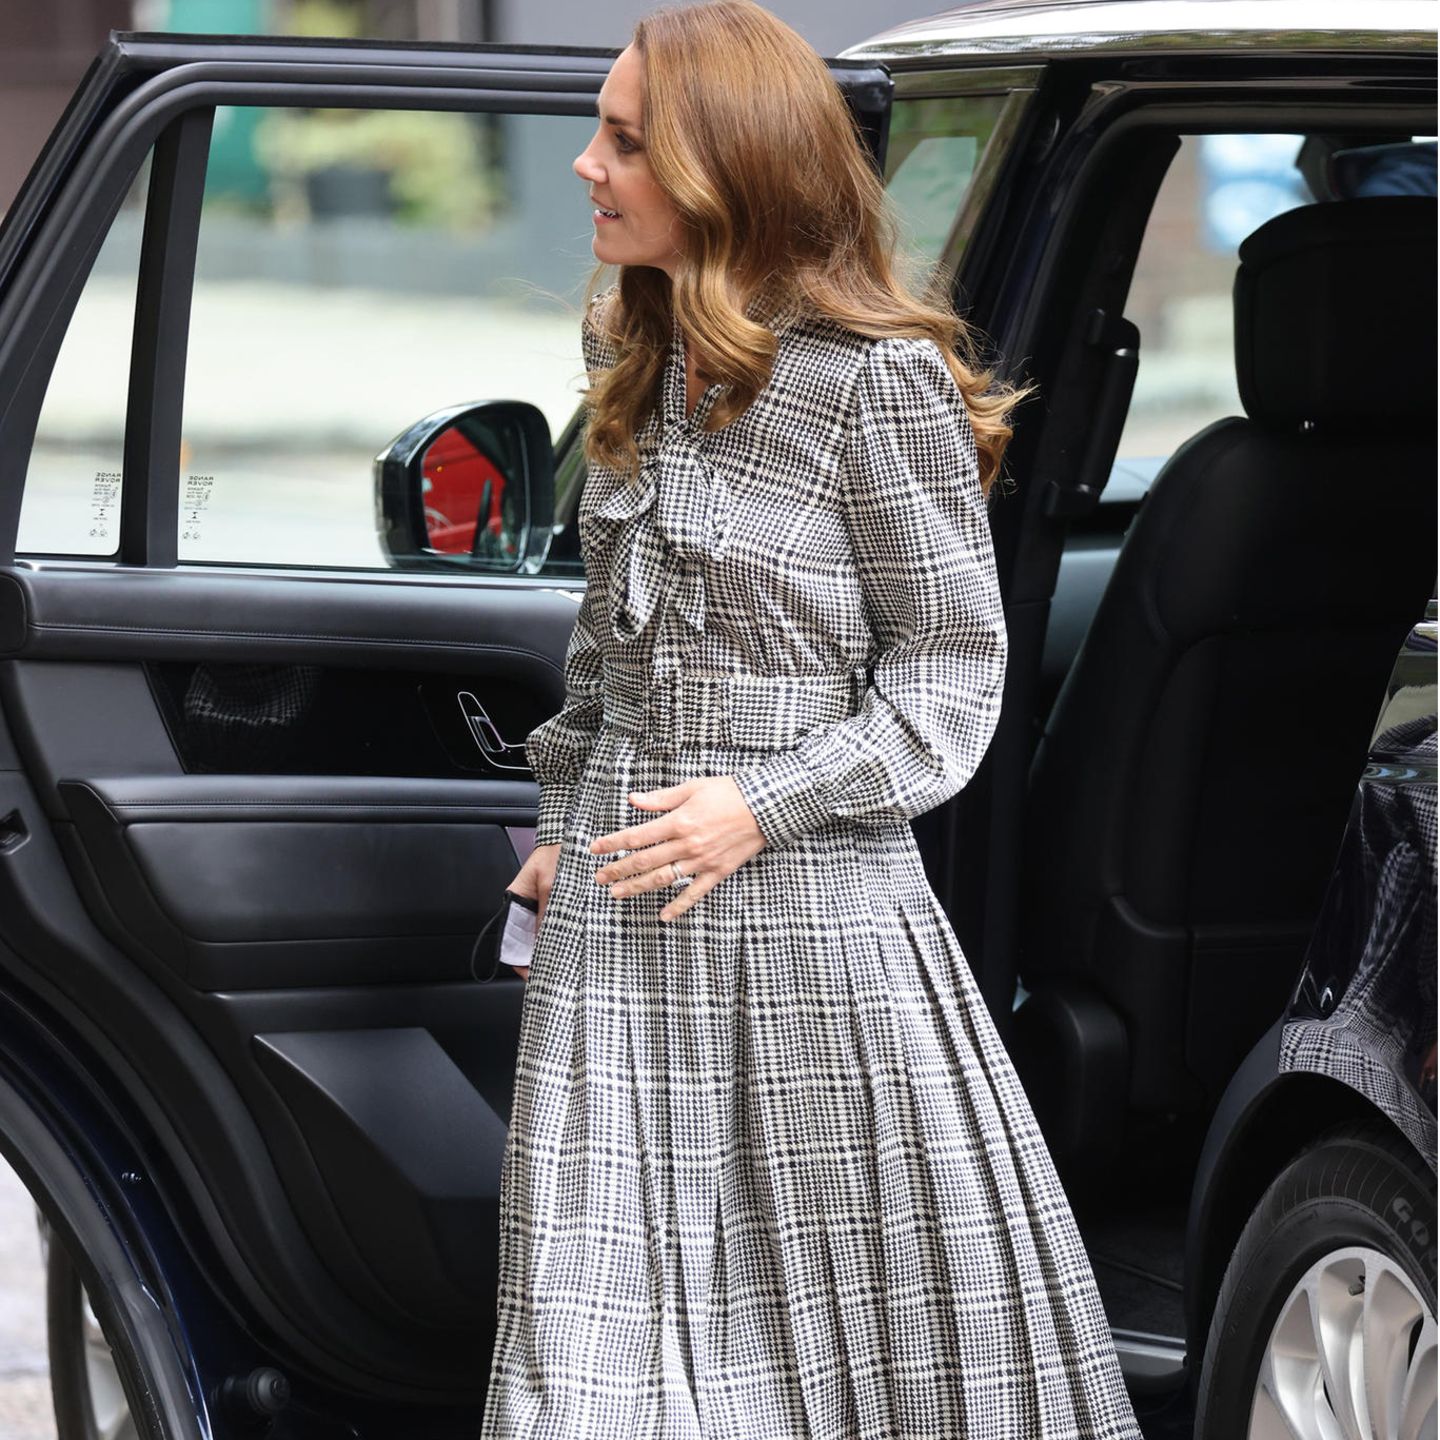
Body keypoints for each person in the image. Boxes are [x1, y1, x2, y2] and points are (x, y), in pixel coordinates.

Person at [481, 2, 1146, 1436]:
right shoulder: (650, 360)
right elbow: (604, 663)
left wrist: (758, 803)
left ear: (729, 168)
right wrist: (561, 829)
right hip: (623, 939)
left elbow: (953, 680)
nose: (588, 168)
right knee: (589, 1367)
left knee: (849, 1371)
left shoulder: (869, 385)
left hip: (816, 944)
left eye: (626, 141)